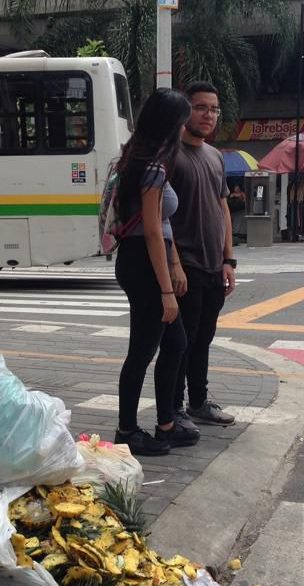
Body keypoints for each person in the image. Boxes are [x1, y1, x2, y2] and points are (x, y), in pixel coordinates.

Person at [110, 89, 194, 456]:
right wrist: (165, 290)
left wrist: (173, 266)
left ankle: (166, 423)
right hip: (144, 264)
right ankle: (127, 431)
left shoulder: (134, 158)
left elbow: (157, 227)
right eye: (182, 121)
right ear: (171, 125)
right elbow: (153, 230)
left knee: (175, 342)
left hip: (138, 259)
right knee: (142, 351)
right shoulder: (154, 166)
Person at [168, 81, 236, 430]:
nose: (209, 115)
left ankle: (198, 401)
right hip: (186, 267)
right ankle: (175, 409)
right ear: (185, 110)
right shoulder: (171, 155)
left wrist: (229, 259)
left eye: (214, 109)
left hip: (213, 266)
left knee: (204, 337)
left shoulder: (214, 156)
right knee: (183, 340)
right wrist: (174, 264)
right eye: (201, 107)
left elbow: (222, 207)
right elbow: (161, 218)